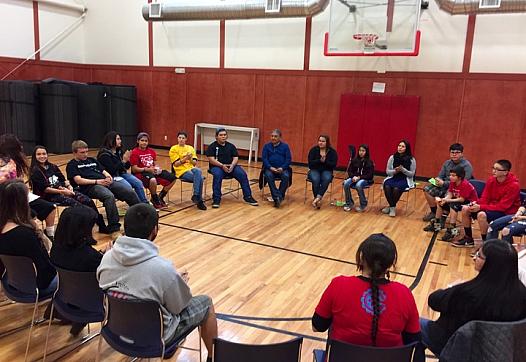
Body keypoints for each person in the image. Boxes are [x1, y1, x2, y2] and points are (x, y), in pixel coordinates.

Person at [97, 204, 218, 362]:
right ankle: (214, 357)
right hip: (155, 336)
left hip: (115, 329)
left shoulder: (107, 257)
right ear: (155, 230)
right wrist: (179, 282)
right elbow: (178, 308)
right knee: (206, 303)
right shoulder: (163, 269)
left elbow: (104, 285)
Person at [312, 233, 423, 358]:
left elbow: (317, 326)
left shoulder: (339, 285)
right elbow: (415, 343)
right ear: (391, 264)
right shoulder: (404, 294)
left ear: (361, 258)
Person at [420, 239, 526, 357]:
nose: (474, 258)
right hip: (497, 352)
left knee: (414, 323)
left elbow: (434, 300)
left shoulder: (468, 293)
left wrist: (451, 288)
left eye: (479, 256)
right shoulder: (522, 293)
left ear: (491, 264)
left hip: (456, 347)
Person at [29, 145, 110, 234]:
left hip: (63, 191)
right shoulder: (35, 171)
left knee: (88, 201)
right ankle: (82, 232)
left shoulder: (52, 166)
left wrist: (69, 186)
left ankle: (100, 225)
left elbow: (63, 179)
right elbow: (45, 189)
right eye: (39, 154)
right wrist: (63, 191)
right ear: (34, 156)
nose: (42, 156)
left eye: (44, 154)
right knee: (79, 206)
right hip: (49, 196)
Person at [66, 140, 140, 234]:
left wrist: (108, 177)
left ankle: (139, 215)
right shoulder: (72, 165)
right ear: (74, 153)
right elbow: (78, 180)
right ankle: (114, 227)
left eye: (86, 152)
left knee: (128, 191)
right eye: (82, 152)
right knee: (109, 196)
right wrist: (97, 182)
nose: (85, 154)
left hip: (104, 182)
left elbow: (103, 171)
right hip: (90, 187)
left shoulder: (92, 160)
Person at [50, 205, 104, 336]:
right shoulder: (91, 257)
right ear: (83, 229)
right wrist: (107, 258)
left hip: (65, 296)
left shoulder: (55, 249)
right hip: (93, 303)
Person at [0, 180, 56, 294]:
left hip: (10, 281)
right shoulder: (25, 234)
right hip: (35, 286)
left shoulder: (5, 226)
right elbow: (46, 269)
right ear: (22, 202)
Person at [0, 134, 57, 240]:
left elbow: (19, 183)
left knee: (50, 208)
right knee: (32, 221)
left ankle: (50, 235)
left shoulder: (14, 162)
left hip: (20, 195)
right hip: (8, 200)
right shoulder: (7, 166)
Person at [452, 159, 520, 248]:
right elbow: (485, 197)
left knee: (481, 215)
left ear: (505, 172)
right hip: (491, 207)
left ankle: (486, 244)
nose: (493, 171)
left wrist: (480, 207)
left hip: (506, 212)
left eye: (497, 169)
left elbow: (503, 207)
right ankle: (468, 239)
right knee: (465, 209)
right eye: (493, 168)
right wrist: (475, 204)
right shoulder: (491, 180)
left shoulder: (514, 185)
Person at [205, 128, 259, 208]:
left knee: (242, 174)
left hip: (231, 166)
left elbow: (235, 157)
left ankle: (248, 197)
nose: (223, 136)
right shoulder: (212, 147)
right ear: (216, 137)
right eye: (221, 135)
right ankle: (216, 199)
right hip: (217, 166)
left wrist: (232, 165)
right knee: (217, 175)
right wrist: (222, 166)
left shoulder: (231, 146)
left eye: (224, 135)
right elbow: (211, 160)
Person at [423, 166, 478, 242]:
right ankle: (437, 225)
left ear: (459, 177)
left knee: (453, 206)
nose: (450, 177)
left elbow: (462, 200)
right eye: (450, 175)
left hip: (469, 202)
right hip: (458, 200)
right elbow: (450, 193)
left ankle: (452, 229)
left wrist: (449, 201)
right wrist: (444, 199)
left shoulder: (465, 184)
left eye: (453, 175)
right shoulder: (452, 182)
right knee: (440, 204)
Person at [422, 144, 473, 222]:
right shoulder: (447, 163)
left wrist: (444, 183)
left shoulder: (467, 166)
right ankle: (434, 211)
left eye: (457, 152)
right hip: (443, 185)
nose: (454, 154)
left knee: (447, 196)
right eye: (452, 152)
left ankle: (442, 218)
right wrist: (437, 180)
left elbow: (461, 183)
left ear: (462, 154)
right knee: (426, 188)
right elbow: (440, 175)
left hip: (456, 189)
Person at [97, 131, 149, 204]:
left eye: (120, 139)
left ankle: (144, 203)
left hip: (121, 174)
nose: (120, 141)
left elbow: (126, 167)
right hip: (111, 176)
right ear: (111, 140)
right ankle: (135, 206)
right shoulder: (104, 154)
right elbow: (111, 170)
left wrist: (127, 161)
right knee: (128, 187)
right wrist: (123, 161)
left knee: (138, 183)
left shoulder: (119, 151)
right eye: (118, 139)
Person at [130, 132, 176, 209]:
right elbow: (134, 169)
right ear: (138, 141)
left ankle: (160, 196)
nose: (144, 142)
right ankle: (155, 199)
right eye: (142, 140)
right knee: (153, 180)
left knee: (173, 177)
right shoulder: (135, 152)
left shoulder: (151, 151)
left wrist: (157, 169)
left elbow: (155, 164)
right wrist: (147, 169)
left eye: (146, 141)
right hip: (141, 173)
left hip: (151, 171)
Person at [169, 131, 206, 210]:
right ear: (177, 139)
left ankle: (196, 195)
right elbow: (176, 164)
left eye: (183, 138)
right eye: (179, 138)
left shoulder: (190, 148)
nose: (181, 139)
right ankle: (199, 201)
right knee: (201, 179)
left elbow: (194, 163)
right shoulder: (174, 149)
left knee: (198, 170)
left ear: (186, 139)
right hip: (181, 171)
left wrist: (190, 159)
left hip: (191, 169)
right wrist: (185, 158)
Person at [382, 140, 416, 218]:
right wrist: (395, 171)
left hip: (405, 178)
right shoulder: (392, 157)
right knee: (387, 185)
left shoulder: (412, 159)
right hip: (393, 177)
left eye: (403, 146)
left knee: (396, 189)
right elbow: (387, 172)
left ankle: (391, 207)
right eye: (399, 146)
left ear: (406, 149)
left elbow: (411, 174)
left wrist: (403, 170)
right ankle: (392, 206)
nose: (400, 148)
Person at [261, 129, 292, 208]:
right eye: (272, 136)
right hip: (270, 168)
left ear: (280, 137)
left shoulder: (285, 146)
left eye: (275, 136)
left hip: (282, 169)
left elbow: (288, 159)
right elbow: (264, 159)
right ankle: (277, 197)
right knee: (268, 176)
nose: (273, 138)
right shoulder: (266, 146)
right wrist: (270, 167)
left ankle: (278, 197)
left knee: (286, 176)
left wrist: (282, 168)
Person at [307, 135, 338, 209]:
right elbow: (310, 163)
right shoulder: (313, 150)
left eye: (323, 141)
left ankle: (317, 198)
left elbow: (333, 165)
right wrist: (319, 161)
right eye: (320, 141)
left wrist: (325, 161)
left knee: (327, 178)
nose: (321, 143)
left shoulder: (332, 152)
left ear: (327, 142)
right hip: (314, 170)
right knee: (315, 179)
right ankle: (317, 199)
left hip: (327, 170)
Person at [343, 144, 374, 212]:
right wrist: (353, 176)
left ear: (366, 152)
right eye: (360, 150)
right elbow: (350, 171)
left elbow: (370, 175)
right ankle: (349, 203)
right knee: (346, 183)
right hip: (354, 177)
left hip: (365, 179)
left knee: (358, 185)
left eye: (363, 151)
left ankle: (363, 204)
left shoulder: (369, 162)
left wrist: (359, 177)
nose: (361, 152)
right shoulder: (355, 160)